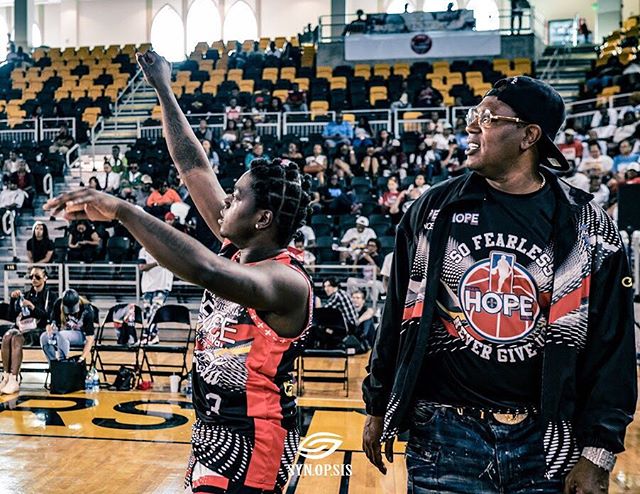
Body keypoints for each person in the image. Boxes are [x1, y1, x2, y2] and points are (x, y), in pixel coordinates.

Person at [46, 49, 314, 494]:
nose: (226, 200)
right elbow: (193, 168)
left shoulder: (286, 281)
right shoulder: (240, 248)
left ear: (263, 218)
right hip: (211, 432)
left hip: (257, 442)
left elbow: (205, 269)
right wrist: (164, 90)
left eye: (237, 196)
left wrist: (123, 211)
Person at [362, 76, 636, 493]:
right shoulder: (433, 210)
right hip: (443, 434)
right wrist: (378, 402)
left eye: (487, 118)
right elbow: (397, 310)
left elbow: (613, 344)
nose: (472, 126)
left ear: (529, 135)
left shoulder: (588, 226)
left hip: (547, 441)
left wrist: (598, 451)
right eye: (474, 116)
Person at [1, 266, 57, 394]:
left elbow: (48, 316)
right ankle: (6, 377)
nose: (34, 279)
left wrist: (32, 307)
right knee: (7, 336)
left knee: (15, 339)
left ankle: (14, 379)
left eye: (37, 277)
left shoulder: (51, 296)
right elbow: (11, 316)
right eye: (31, 276)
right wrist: (12, 299)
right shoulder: (25, 295)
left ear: (45, 278)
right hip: (23, 328)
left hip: (40, 330)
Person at [40, 289, 96, 363]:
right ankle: (53, 364)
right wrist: (50, 327)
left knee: (63, 335)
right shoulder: (58, 303)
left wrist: (82, 357)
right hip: (62, 333)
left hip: (81, 335)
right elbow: (52, 322)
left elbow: (90, 339)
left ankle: (63, 362)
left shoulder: (87, 310)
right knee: (44, 337)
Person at [138, 246, 174, 345]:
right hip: (147, 286)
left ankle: (146, 335)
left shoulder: (167, 249)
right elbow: (142, 267)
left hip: (162, 284)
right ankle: (153, 336)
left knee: (155, 310)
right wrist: (157, 263)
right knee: (147, 313)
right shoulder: (143, 250)